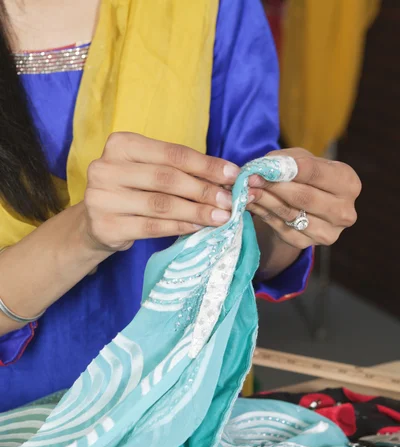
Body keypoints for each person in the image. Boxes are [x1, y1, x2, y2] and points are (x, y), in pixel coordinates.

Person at [0, 0, 360, 412]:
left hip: (179, 402)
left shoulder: (211, 7)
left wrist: (291, 216)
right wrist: (81, 234)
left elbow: (248, 247)